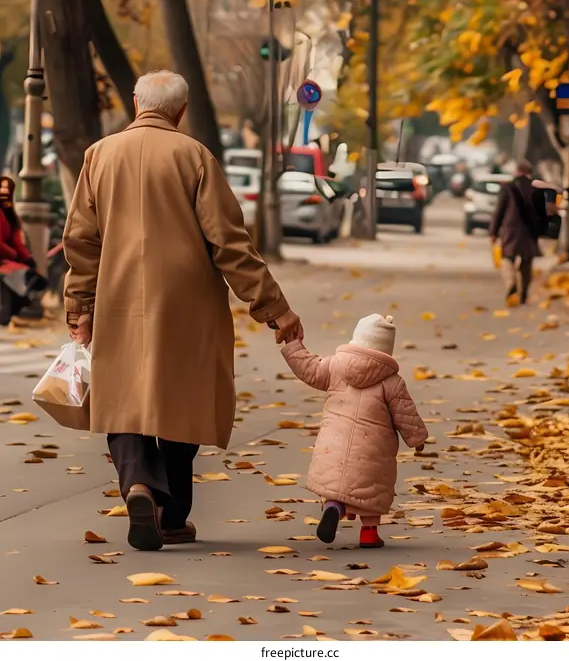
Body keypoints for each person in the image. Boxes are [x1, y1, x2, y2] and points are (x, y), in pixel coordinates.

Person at [63, 70, 302, 552]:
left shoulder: (99, 156)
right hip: (187, 305)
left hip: (118, 300)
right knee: (182, 401)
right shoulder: (196, 157)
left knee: (121, 400)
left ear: (135, 103)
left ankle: (137, 486)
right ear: (181, 111)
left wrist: (80, 308)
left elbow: (81, 242)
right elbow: (230, 245)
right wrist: (274, 309)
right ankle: (172, 518)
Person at [280, 313, 428, 549]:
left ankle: (333, 509)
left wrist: (293, 345)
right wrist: (417, 439)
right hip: (373, 451)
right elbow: (405, 414)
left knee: (337, 485)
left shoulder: (334, 366)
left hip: (333, 446)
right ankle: (369, 533)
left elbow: (307, 368)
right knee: (369, 491)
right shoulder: (392, 381)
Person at [489, 158, 548, 305]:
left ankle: (511, 284)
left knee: (507, 258)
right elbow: (542, 213)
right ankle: (524, 293)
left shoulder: (508, 188)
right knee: (527, 262)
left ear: (516, 171)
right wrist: (541, 231)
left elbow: (499, 212)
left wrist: (493, 232)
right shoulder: (536, 189)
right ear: (529, 172)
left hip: (511, 229)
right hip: (529, 231)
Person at [0, 176, 45, 325]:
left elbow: (16, 241)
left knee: (31, 275)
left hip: (7, 259)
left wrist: (27, 259)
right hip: (5, 259)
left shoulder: (10, 215)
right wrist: (13, 255)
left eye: (7, 189)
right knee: (14, 273)